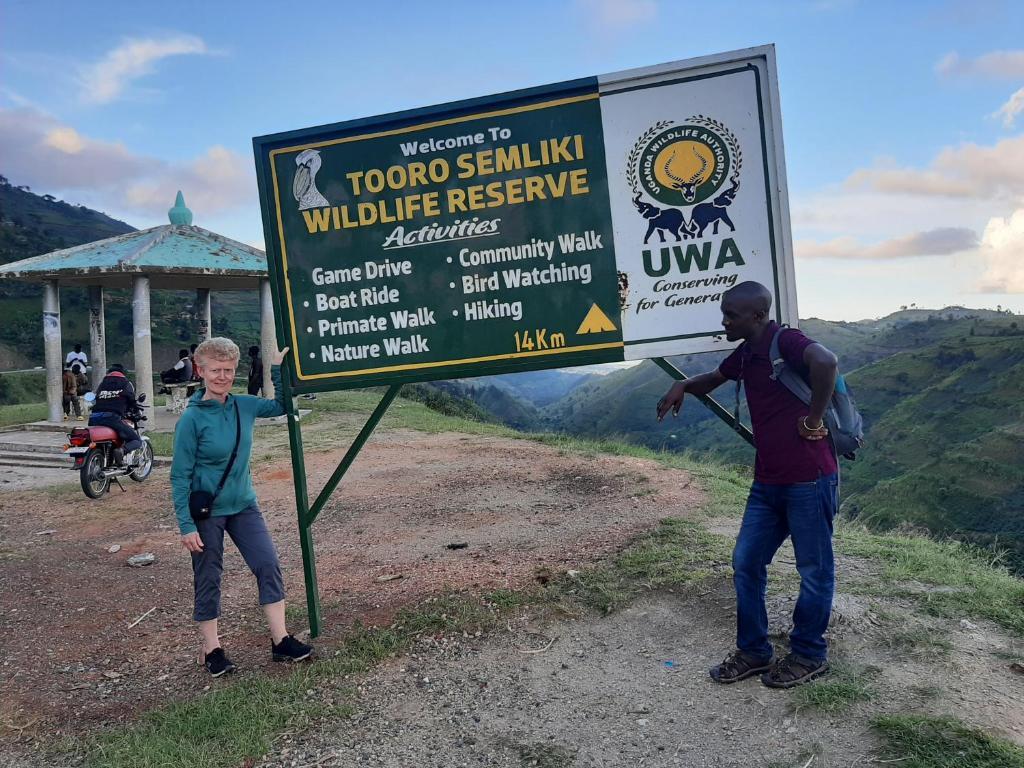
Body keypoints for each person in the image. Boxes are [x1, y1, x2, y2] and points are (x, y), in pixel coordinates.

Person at [656, 281, 839, 689]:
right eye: (724, 313)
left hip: (809, 480)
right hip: (768, 483)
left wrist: (813, 421)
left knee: (814, 570)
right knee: (746, 562)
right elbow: (716, 377)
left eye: (731, 315)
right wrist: (683, 385)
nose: (724, 321)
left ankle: (809, 653)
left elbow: (826, 362)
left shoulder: (785, 341)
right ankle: (755, 651)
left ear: (757, 316)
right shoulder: (747, 353)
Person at [170, 337, 313, 677]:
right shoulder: (190, 420)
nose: (222, 377)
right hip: (207, 513)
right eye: (216, 370)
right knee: (208, 577)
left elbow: (281, 406)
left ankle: (280, 641)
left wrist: (278, 369)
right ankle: (212, 649)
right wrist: (186, 525)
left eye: (229, 371)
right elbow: (179, 477)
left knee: (267, 564)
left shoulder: (244, 405)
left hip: (244, 506)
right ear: (201, 371)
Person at [89, 363, 144, 464]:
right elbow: (131, 401)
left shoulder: (103, 384)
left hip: (93, 418)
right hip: (112, 419)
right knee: (136, 440)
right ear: (123, 373)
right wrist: (136, 412)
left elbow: (95, 399)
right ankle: (122, 450)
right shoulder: (126, 383)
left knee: (104, 443)